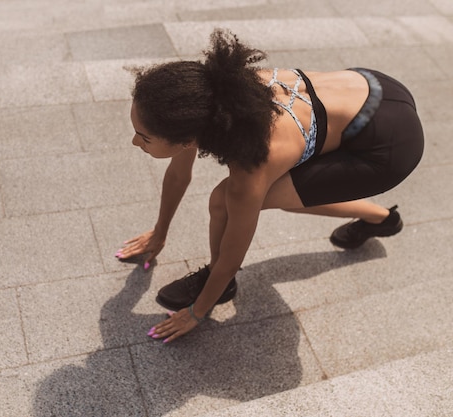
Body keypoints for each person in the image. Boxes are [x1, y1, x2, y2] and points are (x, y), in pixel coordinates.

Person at [115, 29, 424, 344]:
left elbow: (233, 254)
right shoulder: (208, 101)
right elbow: (179, 174)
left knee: (224, 200)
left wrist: (197, 311)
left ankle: (218, 282)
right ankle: (382, 218)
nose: (135, 141)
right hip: (375, 87)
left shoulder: (252, 161)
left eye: (145, 137)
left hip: (389, 148)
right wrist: (159, 232)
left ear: (185, 137)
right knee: (286, 195)